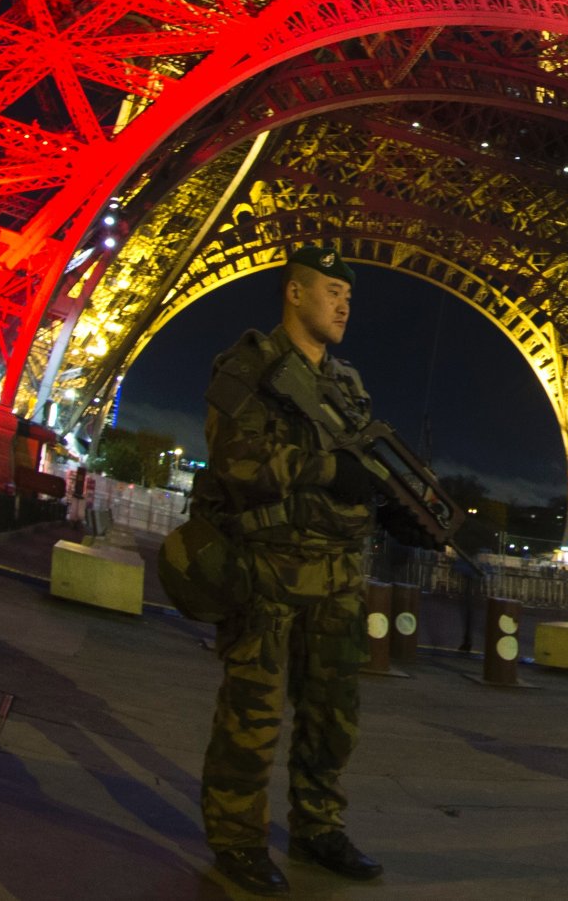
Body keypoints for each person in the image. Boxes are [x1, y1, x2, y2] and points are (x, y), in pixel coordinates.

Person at [194, 246, 391, 896]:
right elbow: (235, 460)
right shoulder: (248, 366)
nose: (344, 303)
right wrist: (329, 469)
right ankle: (237, 840)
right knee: (252, 717)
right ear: (295, 292)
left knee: (334, 715)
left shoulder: (350, 384)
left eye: (351, 295)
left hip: (335, 575)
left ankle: (317, 825)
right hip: (267, 570)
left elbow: (365, 464)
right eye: (332, 289)